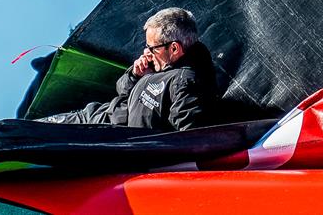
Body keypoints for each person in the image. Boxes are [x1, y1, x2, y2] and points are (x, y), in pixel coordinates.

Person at [39, 8, 216, 131]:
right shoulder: (160, 63)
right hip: (94, 116)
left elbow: (190, 137)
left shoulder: (186, 81)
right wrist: (135, 75)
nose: (147, 51)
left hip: (104, 139)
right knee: (25, 130)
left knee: (30, 138)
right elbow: (122, 91)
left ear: (175, 48)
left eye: (152, 47)